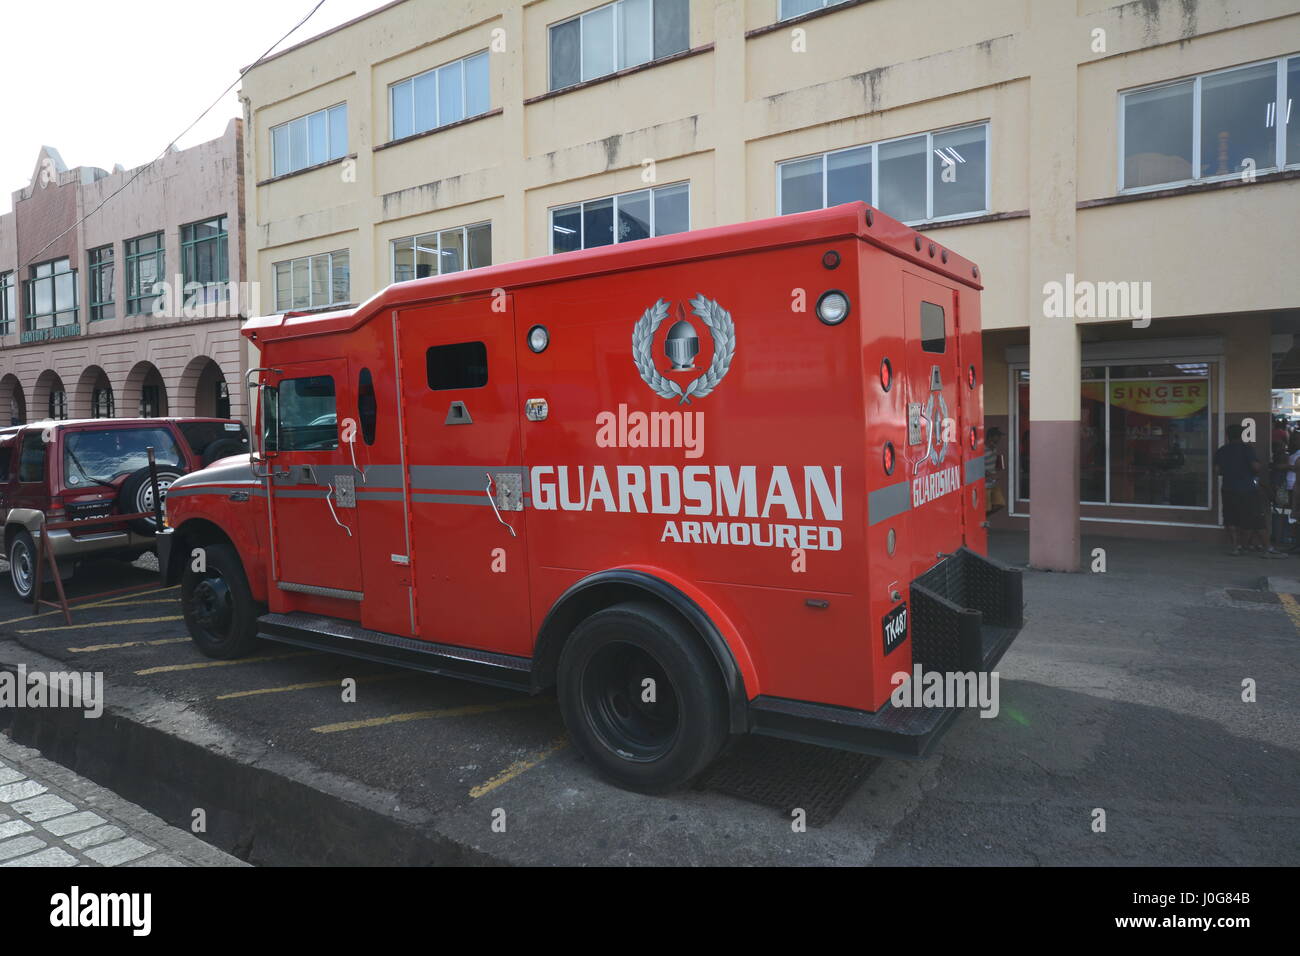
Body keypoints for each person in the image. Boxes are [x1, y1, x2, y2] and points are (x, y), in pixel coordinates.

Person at [1214, 424, 1283, 558]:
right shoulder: (1247, 449)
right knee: (1257, 519)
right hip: (1247, 489)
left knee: (1231, 519)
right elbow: (1256, 467)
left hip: (1228, 489)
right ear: (1241, 435)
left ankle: (1236, 547)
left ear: (1227, 436)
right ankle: (1267, 549)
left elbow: (1217, 471)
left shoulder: (1221, 450)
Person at [984, 427, 1006, 515]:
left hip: (993, 483)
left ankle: (984, 520)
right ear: (990, 437)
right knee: (986, 509)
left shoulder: (994, 448)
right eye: (998, 436)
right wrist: (990, 476)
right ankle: (981, 523)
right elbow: (978, 466)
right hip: (985, 484)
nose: (999, 438)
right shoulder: (982, 449)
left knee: (1000, 504)